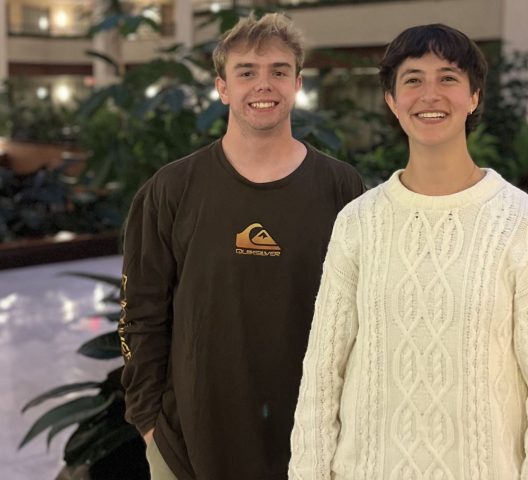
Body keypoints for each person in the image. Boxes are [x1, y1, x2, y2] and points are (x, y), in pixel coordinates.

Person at [289, 24, 528, 479]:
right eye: (412, 80)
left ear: (474, 97)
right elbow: (323, 373)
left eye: (448, 78)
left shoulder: (524, 224)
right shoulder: (358, 222)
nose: (430, 94)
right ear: (391, 100)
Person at [118, 13, 365, 480]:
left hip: (312, 446)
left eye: (278, 71)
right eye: (246, 72)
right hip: (186, 444)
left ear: (297, 83)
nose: (263, 85)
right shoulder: (172, 189)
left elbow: (361, 316)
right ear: (222, 87)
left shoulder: (341, 187)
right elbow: (140, 310)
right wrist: (148, 422)